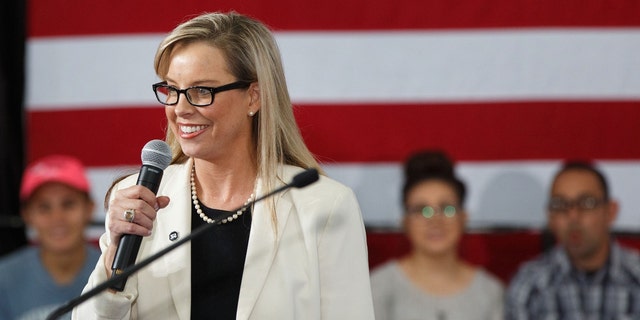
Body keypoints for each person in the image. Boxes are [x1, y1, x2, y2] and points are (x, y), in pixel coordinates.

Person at [73, 11, 374, 320]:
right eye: (172, 90)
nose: (180, 109)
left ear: (254, 97)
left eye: (202, 91)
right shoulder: (138, 197)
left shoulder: (325, 206)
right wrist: (114, 266)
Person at [370, 150, 504, 320]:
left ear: (464, 218)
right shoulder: (379, 287)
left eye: (447, 208)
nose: (435, 220)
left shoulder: (491, 292)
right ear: (405, 222)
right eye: (421, 210)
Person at [505, 161, 640, 319]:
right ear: (550, 217)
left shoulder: (635, 277)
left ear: (610, 211)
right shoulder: (530, 286)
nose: (573, 216)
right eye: (561, 205)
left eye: (586, 203)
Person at [0, 155, 100, 320]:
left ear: (89, 209)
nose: (57, 218)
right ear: (27, 215)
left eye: (68, 204)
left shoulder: (114, 272)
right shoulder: (4, 279)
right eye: (44, 207)